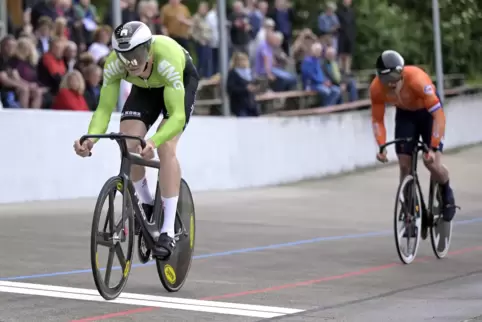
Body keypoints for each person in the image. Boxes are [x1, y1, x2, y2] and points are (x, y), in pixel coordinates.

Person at [73, 21, 200, 259]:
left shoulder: (166, 57)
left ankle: (168, 231)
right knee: (128, 143)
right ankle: (148, 204)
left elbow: (177, 116)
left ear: (148, 48)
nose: (131, 62)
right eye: (125, 56)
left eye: (137, 54)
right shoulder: (114, 64)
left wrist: (153, 140)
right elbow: (103, 109)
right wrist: (91, 140)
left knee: (165, 147)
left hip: (177, 81)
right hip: (144, 88)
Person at [370, 50, 457, 224]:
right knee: (404, 165)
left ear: (402, 73)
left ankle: (446, 191)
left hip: (428, 114)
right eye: (386, 80)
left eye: (394, 77)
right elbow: (377, 120)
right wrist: (381, 146)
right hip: (405, 115)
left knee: (431, 163)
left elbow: (438, 115)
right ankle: (409, 206)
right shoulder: (377, 89)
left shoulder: (418, 79)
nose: (391, 84)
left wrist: (432, 147)